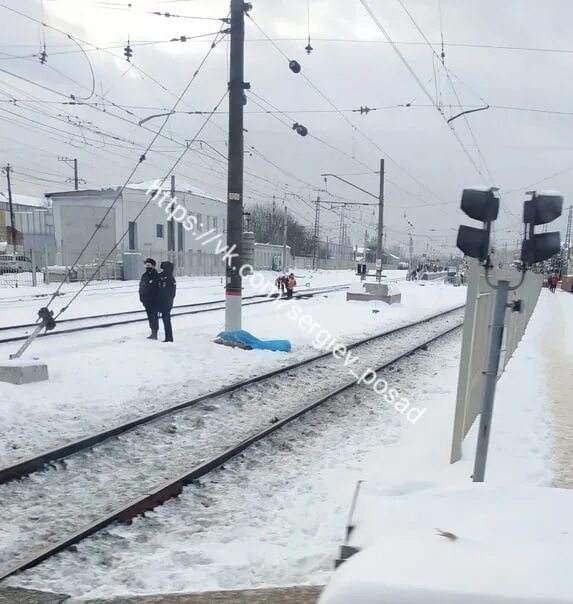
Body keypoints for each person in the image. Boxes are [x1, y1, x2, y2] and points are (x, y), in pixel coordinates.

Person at [139, 258, 160, 339]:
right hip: (146, 301)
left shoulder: (156, 275)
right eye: (146, 265)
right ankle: (152, 331)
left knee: (154, 317)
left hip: (154, 301)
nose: (147, 267)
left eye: (149, 265)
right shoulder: (144, 275)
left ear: (153, 266)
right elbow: (141, 287)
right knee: (150, 317)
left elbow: (158, 289)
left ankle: (155, 333)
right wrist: (142, 298)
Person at [158, 260, 176, 342]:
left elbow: (171, 293)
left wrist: (166, 302)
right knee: (166, 320)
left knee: (166, 320)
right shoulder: (168, 277)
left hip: (167, 303)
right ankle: (168, 337)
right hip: (165, 302)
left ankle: (169, 338)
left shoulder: (169, 278)